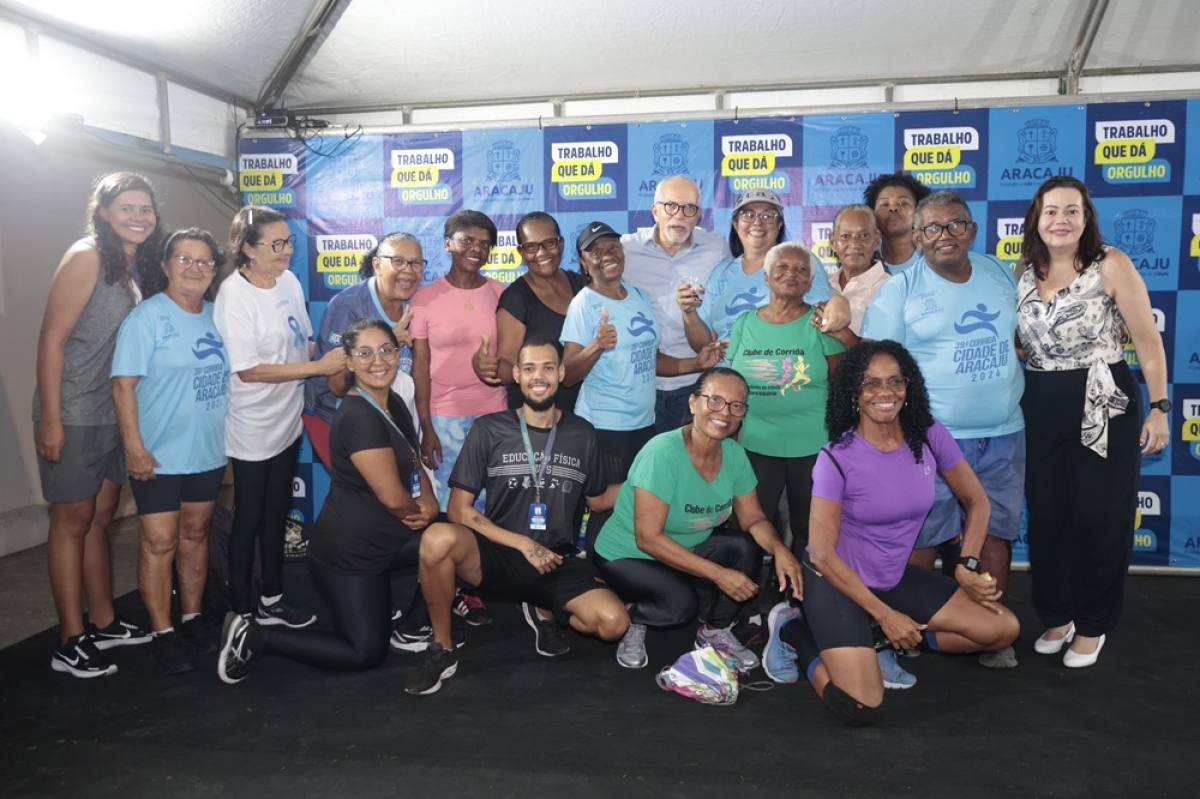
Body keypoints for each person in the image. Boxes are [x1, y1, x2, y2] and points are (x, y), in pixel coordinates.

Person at [794, 340, 1019, 726]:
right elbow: (823, 554)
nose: (885, 392)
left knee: (1002, 630)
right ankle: (796, 634)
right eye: (871, 383)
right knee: (861, 706)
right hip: (836, 582)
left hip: (891, 577)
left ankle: (876, 639)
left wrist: (966, 564)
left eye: (895, 381)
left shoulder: (927, 433)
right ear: (853, 393)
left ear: (908, 386)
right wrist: (886, 614)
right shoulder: (836, 457)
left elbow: (977, 501)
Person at [218, 319, 445, 683]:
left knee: (451, 537)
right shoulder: (358, 416)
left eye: (386, 350)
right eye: (365, 353)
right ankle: (256, 637)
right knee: (364, 653)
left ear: (398, 353)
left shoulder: (393, 401)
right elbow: (393, 499)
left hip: (385, 541)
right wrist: (421, 512)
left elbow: (415, 461)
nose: (378, 360)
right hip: (351, 555)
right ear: (348, 362)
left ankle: (415, 626)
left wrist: (430, 503)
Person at [404, 335, 628, 695]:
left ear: (561, 373)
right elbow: (458, 509)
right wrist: (523, 544)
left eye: (548, 367)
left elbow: (598, 499)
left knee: (613, 623)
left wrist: (647, 486)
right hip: (496, 554)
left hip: (554, 560)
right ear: (518, 376)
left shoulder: (582, 433)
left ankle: (544, 608)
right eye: (529, 368)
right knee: (437, 538)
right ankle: (442, 648)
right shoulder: (489, 429)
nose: (539, 376)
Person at [861, 190, 1025, 670]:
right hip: (930, 439)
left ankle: (991, 631)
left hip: (1004, 432)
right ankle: (907, 628)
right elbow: (875, 371)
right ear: (916, 237)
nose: (945, 235)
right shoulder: (898, 292)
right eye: (932, 228)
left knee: (995, 535)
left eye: (956, 224)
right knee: (921, 536)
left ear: (972, 230)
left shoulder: (999, 273)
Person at [1016, 176, 1169, 668]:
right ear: (1036, 219)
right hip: (1039, 400)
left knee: (1099, 518)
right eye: (1051, 211)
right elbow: (1024, 342)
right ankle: (1058, 614)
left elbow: (1147, 340)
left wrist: (1161, 407)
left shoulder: (1111, 263)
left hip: (1102, 399)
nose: (1060, 220)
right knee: (1047, 518)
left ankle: (1093, 623)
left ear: (1086, 218)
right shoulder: (1023, 269)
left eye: (1072, 211)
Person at [591, 367, 803, 671]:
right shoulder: (662, 453)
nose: (725, 412)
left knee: (746, 547)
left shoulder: (734, 454)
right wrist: (719, 574)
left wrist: (781, 549)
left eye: (736, 405)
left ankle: (714, 632)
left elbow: (754, 518)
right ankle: (634, 615)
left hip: (685, 547)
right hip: (629, 554)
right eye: (715, 400)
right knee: (680, 606)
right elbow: (648, 538)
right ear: (693, 403)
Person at [35, 172, 159, 677]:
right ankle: (70, 640)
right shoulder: (86, 256)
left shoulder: (132, 265)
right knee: (72, 521)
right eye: (126, 207)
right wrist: (51, 417)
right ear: (103, 211)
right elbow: (51, 340)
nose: (138, 217)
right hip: (74, 411)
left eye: (146, 208)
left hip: (114, 411)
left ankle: (104, 621)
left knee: (101, 517)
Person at [213, 206, 346, 630]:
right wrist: (318, 368)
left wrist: (354, 354)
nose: (288, 250)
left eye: (289, 241)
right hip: (252, 424)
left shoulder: (288, 280)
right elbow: (248, 371)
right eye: (277, 244)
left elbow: (303, 343)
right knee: (249, 516)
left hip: (288, 418)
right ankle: (241, 610)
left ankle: (272, 598)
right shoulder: (234, 295)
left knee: (276, 513)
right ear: (248, 249)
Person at [561, 222, 724, 549]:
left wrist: (696, 363)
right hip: (605, 427)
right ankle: (598, 576)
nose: (607, 255)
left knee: (639, 509)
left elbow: (651, 358)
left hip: (644, 425)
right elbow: (567, 374)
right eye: (596, 252)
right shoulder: (584, 303)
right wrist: (596, 346)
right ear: (584, 263)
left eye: (612, 247)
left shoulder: (638, 296)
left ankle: (633, 575)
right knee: (605, 514)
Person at [112, 229, 229, 674]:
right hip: (158, 455)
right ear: (165, 265)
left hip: (208, 451)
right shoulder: (146, 318)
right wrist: (134, 448)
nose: (194, 268)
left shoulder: (220, 316)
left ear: (214, 271)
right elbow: (123, 386)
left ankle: (192, 618)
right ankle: (162, 632)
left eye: (204, 262)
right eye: (184, 259)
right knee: (159, 542)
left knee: (195, 535)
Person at [728, 242, 844, 553]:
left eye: (801, 269)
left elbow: (840, 383)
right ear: (766, 276)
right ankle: (751, 582)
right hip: (755, 444)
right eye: (782, 267)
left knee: (810, 529)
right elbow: (733, 385)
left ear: (810, 282)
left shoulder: (821, 323)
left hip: (812, 446)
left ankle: (804, 584)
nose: (791, 273)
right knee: (751, 526)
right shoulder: (744, 323)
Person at [411, 210, 507, 512]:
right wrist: (426, 426)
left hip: (493, 415)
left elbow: (510, 356)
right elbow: (420, 369)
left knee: (491, 504)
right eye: (467, 240)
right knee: (448, 504)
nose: (476, 249)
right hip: (443, 418)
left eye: (484, 244)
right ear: (447, 243)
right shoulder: (424, 299)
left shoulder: (501, 294)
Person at [621, 176, 732, 432]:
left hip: (695, 383)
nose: (679, 215)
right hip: (640, 383)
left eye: (689, 208)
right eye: (670, 206)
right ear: (655, 211)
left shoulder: (716, 248)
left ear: (699, 215)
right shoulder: (626, 249)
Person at [304, 232, 424, 466]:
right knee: (375, 487)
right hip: (336, 417)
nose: (408, 271)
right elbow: (337, 385)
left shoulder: (418, 304)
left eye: (416, 263)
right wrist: (387, 343)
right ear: (377, 265)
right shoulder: (349, 305)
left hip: (392, 419)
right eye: (398, 261)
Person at [681, 189, 837, 351]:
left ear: (779, 224)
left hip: (781, 363)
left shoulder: (801, 262)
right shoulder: (721, 271)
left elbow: (821, 323)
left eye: (767, 216)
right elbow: (703, 345)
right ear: (735, 224)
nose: (757, 222)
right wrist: (689, 313)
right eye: (748, 215)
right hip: (724, 366)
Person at [483, 212, 589, 412]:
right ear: (521, 252)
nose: (541, 253)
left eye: (549, 243)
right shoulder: (515, 298)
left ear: (561, 244)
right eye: (531, 247)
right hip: (538, 416)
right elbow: (509, 363)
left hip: (586, 412)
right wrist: (492, 368)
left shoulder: (582, 285)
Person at [827, 204, 888, 336]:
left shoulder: (892, 288)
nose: (854, 244)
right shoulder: (821, 286)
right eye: (845, 236)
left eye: (864, 235)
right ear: (833, 242)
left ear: (876, 241)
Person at [864, 173, 930, 274]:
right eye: (884, 204)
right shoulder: (865, 256)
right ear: (872, 212)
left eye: (903, 203)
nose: (893, 208)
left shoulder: (932, 256)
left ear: (918, 210)